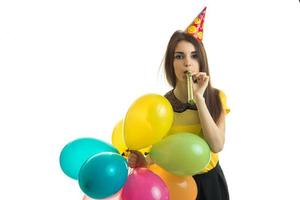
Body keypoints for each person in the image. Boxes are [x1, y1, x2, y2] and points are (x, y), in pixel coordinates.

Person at [128, 7, 230, 200]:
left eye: (194, 55)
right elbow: (163, 151)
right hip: (176, 185)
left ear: (201, 62)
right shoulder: (163, 106)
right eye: (179, 56)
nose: (187, 63)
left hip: (211, 184)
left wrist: (199, 98)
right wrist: (144, 161)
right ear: (171, 63)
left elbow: (216, 145)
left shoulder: (216, 97)